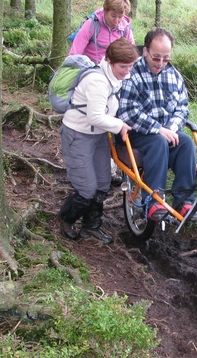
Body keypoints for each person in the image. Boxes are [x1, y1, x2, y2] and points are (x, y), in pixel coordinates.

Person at [58, 38, 139, 243]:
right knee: (86, 188)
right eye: (123, 66)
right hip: (78, 134)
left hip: (99, 135)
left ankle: (90, 227)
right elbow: (95, 117)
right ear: (109, 61)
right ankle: (66, 219)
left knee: (103, 183)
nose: (127, 71)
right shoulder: (97, 81)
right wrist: (119, 125)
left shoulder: (115, 78)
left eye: (130, 66)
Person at [117, 27, 197, 221]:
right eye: (156, 57)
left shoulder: (174, 75)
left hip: (165, 131)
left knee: (186, 143)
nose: (161, 63)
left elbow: (182, 108)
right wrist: (158, 129)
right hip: (137, 132)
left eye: (166, 58)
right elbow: (127, 112)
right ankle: (154, 201)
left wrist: (171, 128)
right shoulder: (132, 73)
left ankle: (184, 199)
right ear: (145, 51)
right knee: (158, 142)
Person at [69, 0, 135, 65]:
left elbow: (132, 55)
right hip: (90, 68)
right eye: (113, 16)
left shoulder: (126, 29)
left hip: (114, 70)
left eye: (120, 17)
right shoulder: (92, 24)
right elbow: (74, 54)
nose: (116, 21)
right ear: (105, 11)